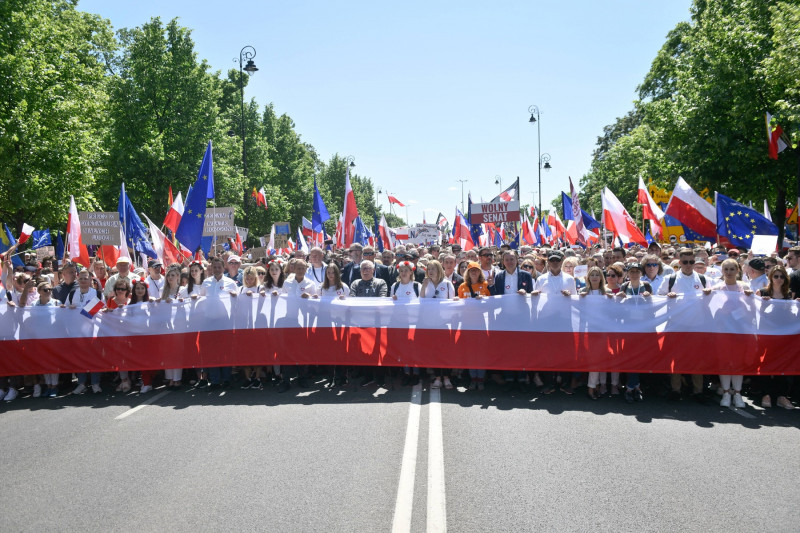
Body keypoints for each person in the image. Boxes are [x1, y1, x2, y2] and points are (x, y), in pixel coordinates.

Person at [659, 248, 708, 402]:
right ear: (679, 262)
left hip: (697, 327)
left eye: (691, 262)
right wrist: (667, 296)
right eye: (685, 262)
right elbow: (658, 297)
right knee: (676, 359)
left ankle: (698, 391)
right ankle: (676, 390)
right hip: (676, 326)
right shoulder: (670, 279)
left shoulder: (703, 279)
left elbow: (718, 292)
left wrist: (710, 292)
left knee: (697, 360)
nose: (688, 265)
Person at [756, 265, 796, 409]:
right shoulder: (762, 292)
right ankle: (765, 394)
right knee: (766, 363)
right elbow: (757, 315)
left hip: (783, 334)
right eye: (776, 276)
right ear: (771, 277)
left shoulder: (789, 294)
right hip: (767, 334)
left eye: (782, 276)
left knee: (783, 363)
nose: (779, 279)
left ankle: (781, 395)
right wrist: (764, 305)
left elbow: (792, 316)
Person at [200, 257, 238, 391]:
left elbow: (238, 302)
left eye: (219, 267)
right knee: (212, 352)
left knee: (225, 352)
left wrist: (235, 296)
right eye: (214, 267)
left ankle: (227, 379)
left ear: (224, 268)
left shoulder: (230, 283)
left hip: (224, 322)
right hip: (209, 322)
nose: (216, 269)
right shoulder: (206, 282)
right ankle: (215, 381)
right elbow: (201, 300)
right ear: (211, 268)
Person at [421, 260, 456, 389]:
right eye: (428, 269)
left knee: (446, 351)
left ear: (439, 270)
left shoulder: (447, 284)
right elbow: (420, 302)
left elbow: (453, 303)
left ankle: (446, 377)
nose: (430, 271)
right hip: (430, 324)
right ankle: (437, 377)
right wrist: (424, 286)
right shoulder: (425, 283)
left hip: (444, 324)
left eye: (433, 269)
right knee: (434, 351)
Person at [391, 261, 422, 386]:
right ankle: (406, 372)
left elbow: (422, 303)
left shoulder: (416, 285)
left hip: (414, 322)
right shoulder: (395, 286)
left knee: (414, 348)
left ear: (411, 272)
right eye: (401, 270)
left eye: (406, 270)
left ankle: (416, 372)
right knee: (403, 348)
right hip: (400, 322)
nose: (404, 273)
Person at [33, 281, 60, 398]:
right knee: (44, 362)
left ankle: (54, 386)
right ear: (39, 292)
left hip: (53, 337)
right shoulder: (34, 304)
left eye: (50, 289)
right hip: (40, 337)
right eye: (45, 290)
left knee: (53, 362)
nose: (48, 291)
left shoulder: (56, 303)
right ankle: (48, 385)